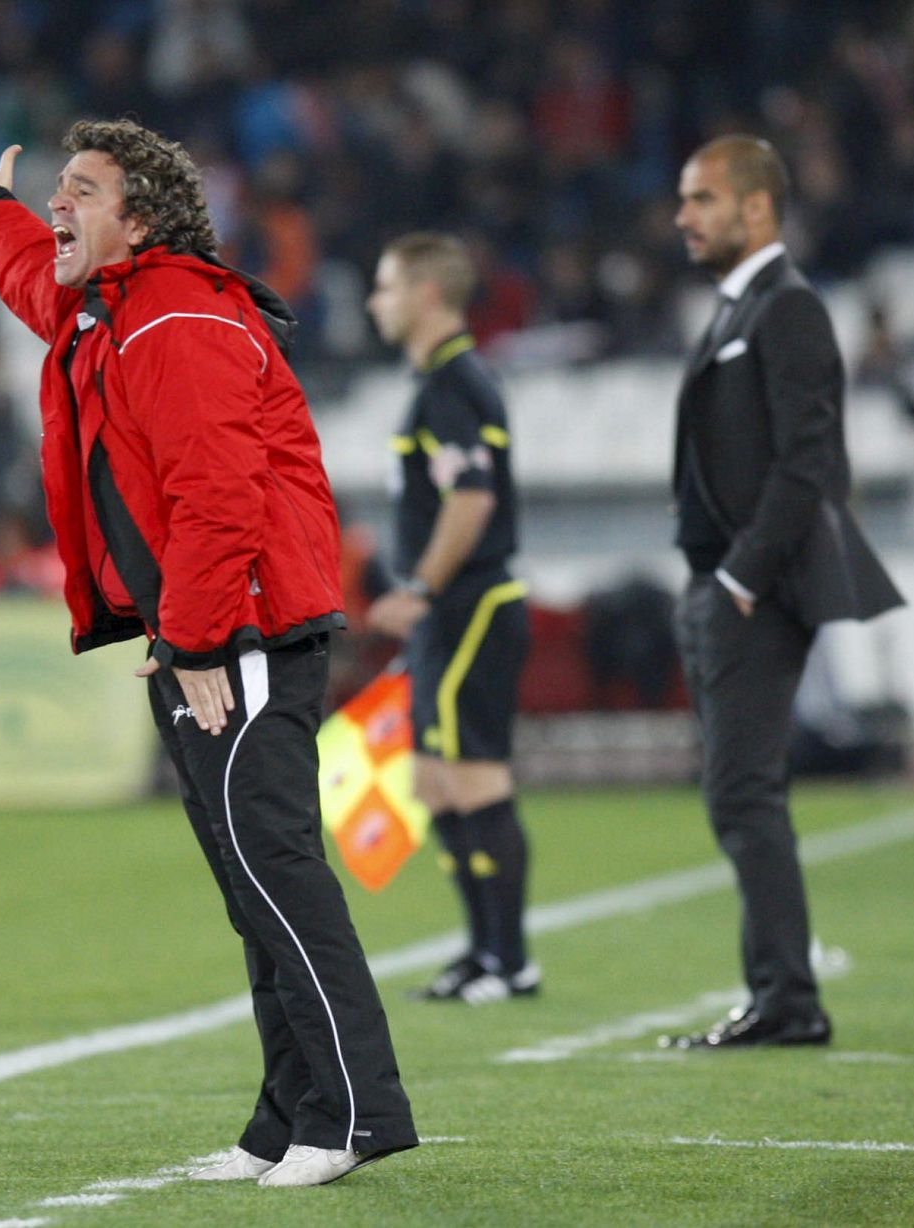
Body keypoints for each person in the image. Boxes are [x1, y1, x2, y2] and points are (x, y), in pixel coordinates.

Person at [0, 119, 416, 1187]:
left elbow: (218, 493)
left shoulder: (176, 320)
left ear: (140, 220)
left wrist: (202, 633)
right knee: (250, 882)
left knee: (276, 872)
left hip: (238, 633)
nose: (57, 205)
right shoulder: (115, 309)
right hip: (201, 633)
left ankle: (350, 1113)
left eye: (80, 189)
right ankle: (286, 1118)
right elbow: (33, 283)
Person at [663, 135, 903, 1049]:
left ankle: (788, 1001)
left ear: (757, 208)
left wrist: (739, 576)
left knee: (742, 793)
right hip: (716, 584)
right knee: (738, 794)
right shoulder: (743, 307)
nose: (684, 217)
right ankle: (781, 994)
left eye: (702, 199)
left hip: (749, 590)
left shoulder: (787, 308)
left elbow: (811, 463)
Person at [364, 232, 538, 1005]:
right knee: (435, 782)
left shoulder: (451, 386)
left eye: (387, 287)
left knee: (474, 779)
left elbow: (471, 500)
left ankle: (509, 959)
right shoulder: (448, 382)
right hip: (453, 610)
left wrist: (423, 590)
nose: (376, 302)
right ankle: (481, 951)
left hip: (470, 603)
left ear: (428, 293)